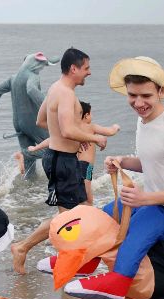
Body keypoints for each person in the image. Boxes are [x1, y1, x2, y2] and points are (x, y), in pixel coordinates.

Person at [63, 56, 164, 299]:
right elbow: (154, 162)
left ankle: (118, 281)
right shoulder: (144, 120)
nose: (138, 103)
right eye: (132, 95)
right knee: (103, 216)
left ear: (161, 91)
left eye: (146, 96)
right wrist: (122, 161)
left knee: (142, 221)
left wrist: (145, 198)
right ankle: (81, 260)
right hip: (155, 203)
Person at [10, 47, 108, 274]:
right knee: (71, 217)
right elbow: (67, 129)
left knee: (77, 213)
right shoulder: (65, 94)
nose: (89, 72)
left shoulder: (55, 88)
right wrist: (93, 137)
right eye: (86, 68)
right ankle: (25, 248)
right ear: (73, 68)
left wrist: (68, 136)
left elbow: (41, 120)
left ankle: (66, 257)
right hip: (62, 160)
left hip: (60, 158)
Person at [26, 100, 120, 205]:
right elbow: (110, 132)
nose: (92, 116)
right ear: (86, 116)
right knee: (87, 195)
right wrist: (116, 127)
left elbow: (52, 140)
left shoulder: (72, 129)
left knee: (74, 194)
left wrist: (36, 148)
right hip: (86, 165)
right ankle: (89, 210)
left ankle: (73, 210)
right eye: (91, 113)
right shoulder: (90, 127)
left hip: (73, 165)